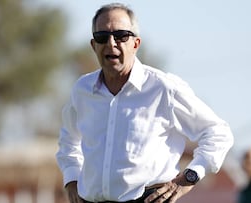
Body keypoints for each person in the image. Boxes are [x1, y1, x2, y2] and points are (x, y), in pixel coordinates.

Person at [56, 3, 234, 203]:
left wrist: (188, 178)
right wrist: (71, 180)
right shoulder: (82, 90)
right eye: (102, 37)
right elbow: (68, 142)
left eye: (121, 35)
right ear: (93, 45)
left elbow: (218, 133)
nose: (111, 43)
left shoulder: (163, 88)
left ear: (136, 43)